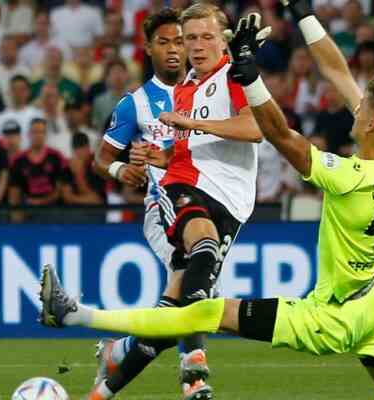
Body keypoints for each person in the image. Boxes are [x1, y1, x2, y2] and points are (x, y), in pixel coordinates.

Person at [39, 7, 374, 400]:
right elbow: (339, 73)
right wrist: (305, 15)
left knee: (201, 309)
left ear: (372, 125)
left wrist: (251, 75)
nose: (352, 113)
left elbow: (282, 137)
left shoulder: (350, 176)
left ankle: (77, 314)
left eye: (361, 114)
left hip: (329, 317)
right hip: (371, 305)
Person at [87, 4, 266, 400]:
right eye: (167, 42)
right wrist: (122, 171)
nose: (176, 49)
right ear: (149, 48)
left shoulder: (202, 83)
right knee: (195, 268)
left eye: (181, 41)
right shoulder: (135, 103)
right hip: (164, 201)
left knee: (185, 293)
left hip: (220, 194)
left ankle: (118, 360)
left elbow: (236, 123)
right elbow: (101, 158)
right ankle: (194, 373)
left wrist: (172, 147)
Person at [8, 119, 66, 210]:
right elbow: (14, 193)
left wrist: (41, 202)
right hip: (26, 210)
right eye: (35, 132)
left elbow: (61, 190)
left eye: (41, 132)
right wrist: (16, 214)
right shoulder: (18, 160)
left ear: (46, 135)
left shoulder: (56, 157)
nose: (38, 135)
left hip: (54, 210)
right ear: (28, 134)